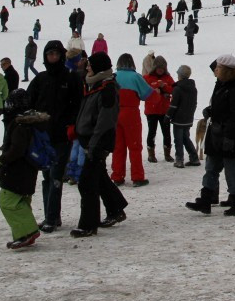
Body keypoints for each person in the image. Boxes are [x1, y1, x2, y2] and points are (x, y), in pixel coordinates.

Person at [26, 39, 82, 234]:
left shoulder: (71, 78)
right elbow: (28, 102)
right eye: (49, 54)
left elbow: (78, 104)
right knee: (47, 176)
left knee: (56, 176)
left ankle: (51, 217)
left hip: (62, 135)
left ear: (61, 55)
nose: (53, 57)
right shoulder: (40, 79)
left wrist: (71, 124)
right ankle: (53, 215)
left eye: (56, 54)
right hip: (43, 137)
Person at [185, 54, 235, 216]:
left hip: (231, 134)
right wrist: (211, 111)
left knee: (231, 170)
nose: (216, 70)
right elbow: (222, 106)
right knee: (211, 168)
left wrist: (230, 137)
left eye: (219, 67)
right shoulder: (221, 84)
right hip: (217, 133)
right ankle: (205, 200)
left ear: (227, 70)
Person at [71, 52, 128, 237]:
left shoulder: (107, 88)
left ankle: (88, 225)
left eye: (90, 65)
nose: (87, 68)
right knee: (99, 177)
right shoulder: (93, 84)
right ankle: (116, 208)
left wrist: (94, 145)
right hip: (90, 140)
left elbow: (105, 122)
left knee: (87, 183)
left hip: (99, 142)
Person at [0, 89, 50, 249]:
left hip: (18, 170)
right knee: (22, 200)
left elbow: (17, 149)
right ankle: (23, 234)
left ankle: (28, 232)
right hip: (28, 169)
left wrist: (3, 159)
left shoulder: (19, 124)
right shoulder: (29, 122)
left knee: (8, 201)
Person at [111, 53, 152, 187]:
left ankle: (117, 176)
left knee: (118, 147)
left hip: (114, 113)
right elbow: (147, 94)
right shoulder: (135, 77)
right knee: (134, 146)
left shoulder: (113, 76)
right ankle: (137, 176)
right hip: (131, 113)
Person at [143, 54, 174, 163]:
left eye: (162, 68)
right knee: (152, 132)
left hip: (164, 110)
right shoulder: (147, 78)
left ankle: (167, 154)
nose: (160, 70)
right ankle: (151, 154)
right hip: (151, 110)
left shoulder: (168, 78)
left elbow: (174, 90)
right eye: (158, 68)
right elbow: (143, 91)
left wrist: (164, 87)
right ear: (154, 68)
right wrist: (156, 85)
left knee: (166, 132)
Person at [167, 64, 200, 167]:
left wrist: (168, 116)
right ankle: (194, 158)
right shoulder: (193, 88)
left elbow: (173, 105)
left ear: (180, 75)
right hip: (188, 118)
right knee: (186, 138)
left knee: (178, 140)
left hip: (178, 119)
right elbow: (193, 103)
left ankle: (179, 160)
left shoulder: (178, 88)